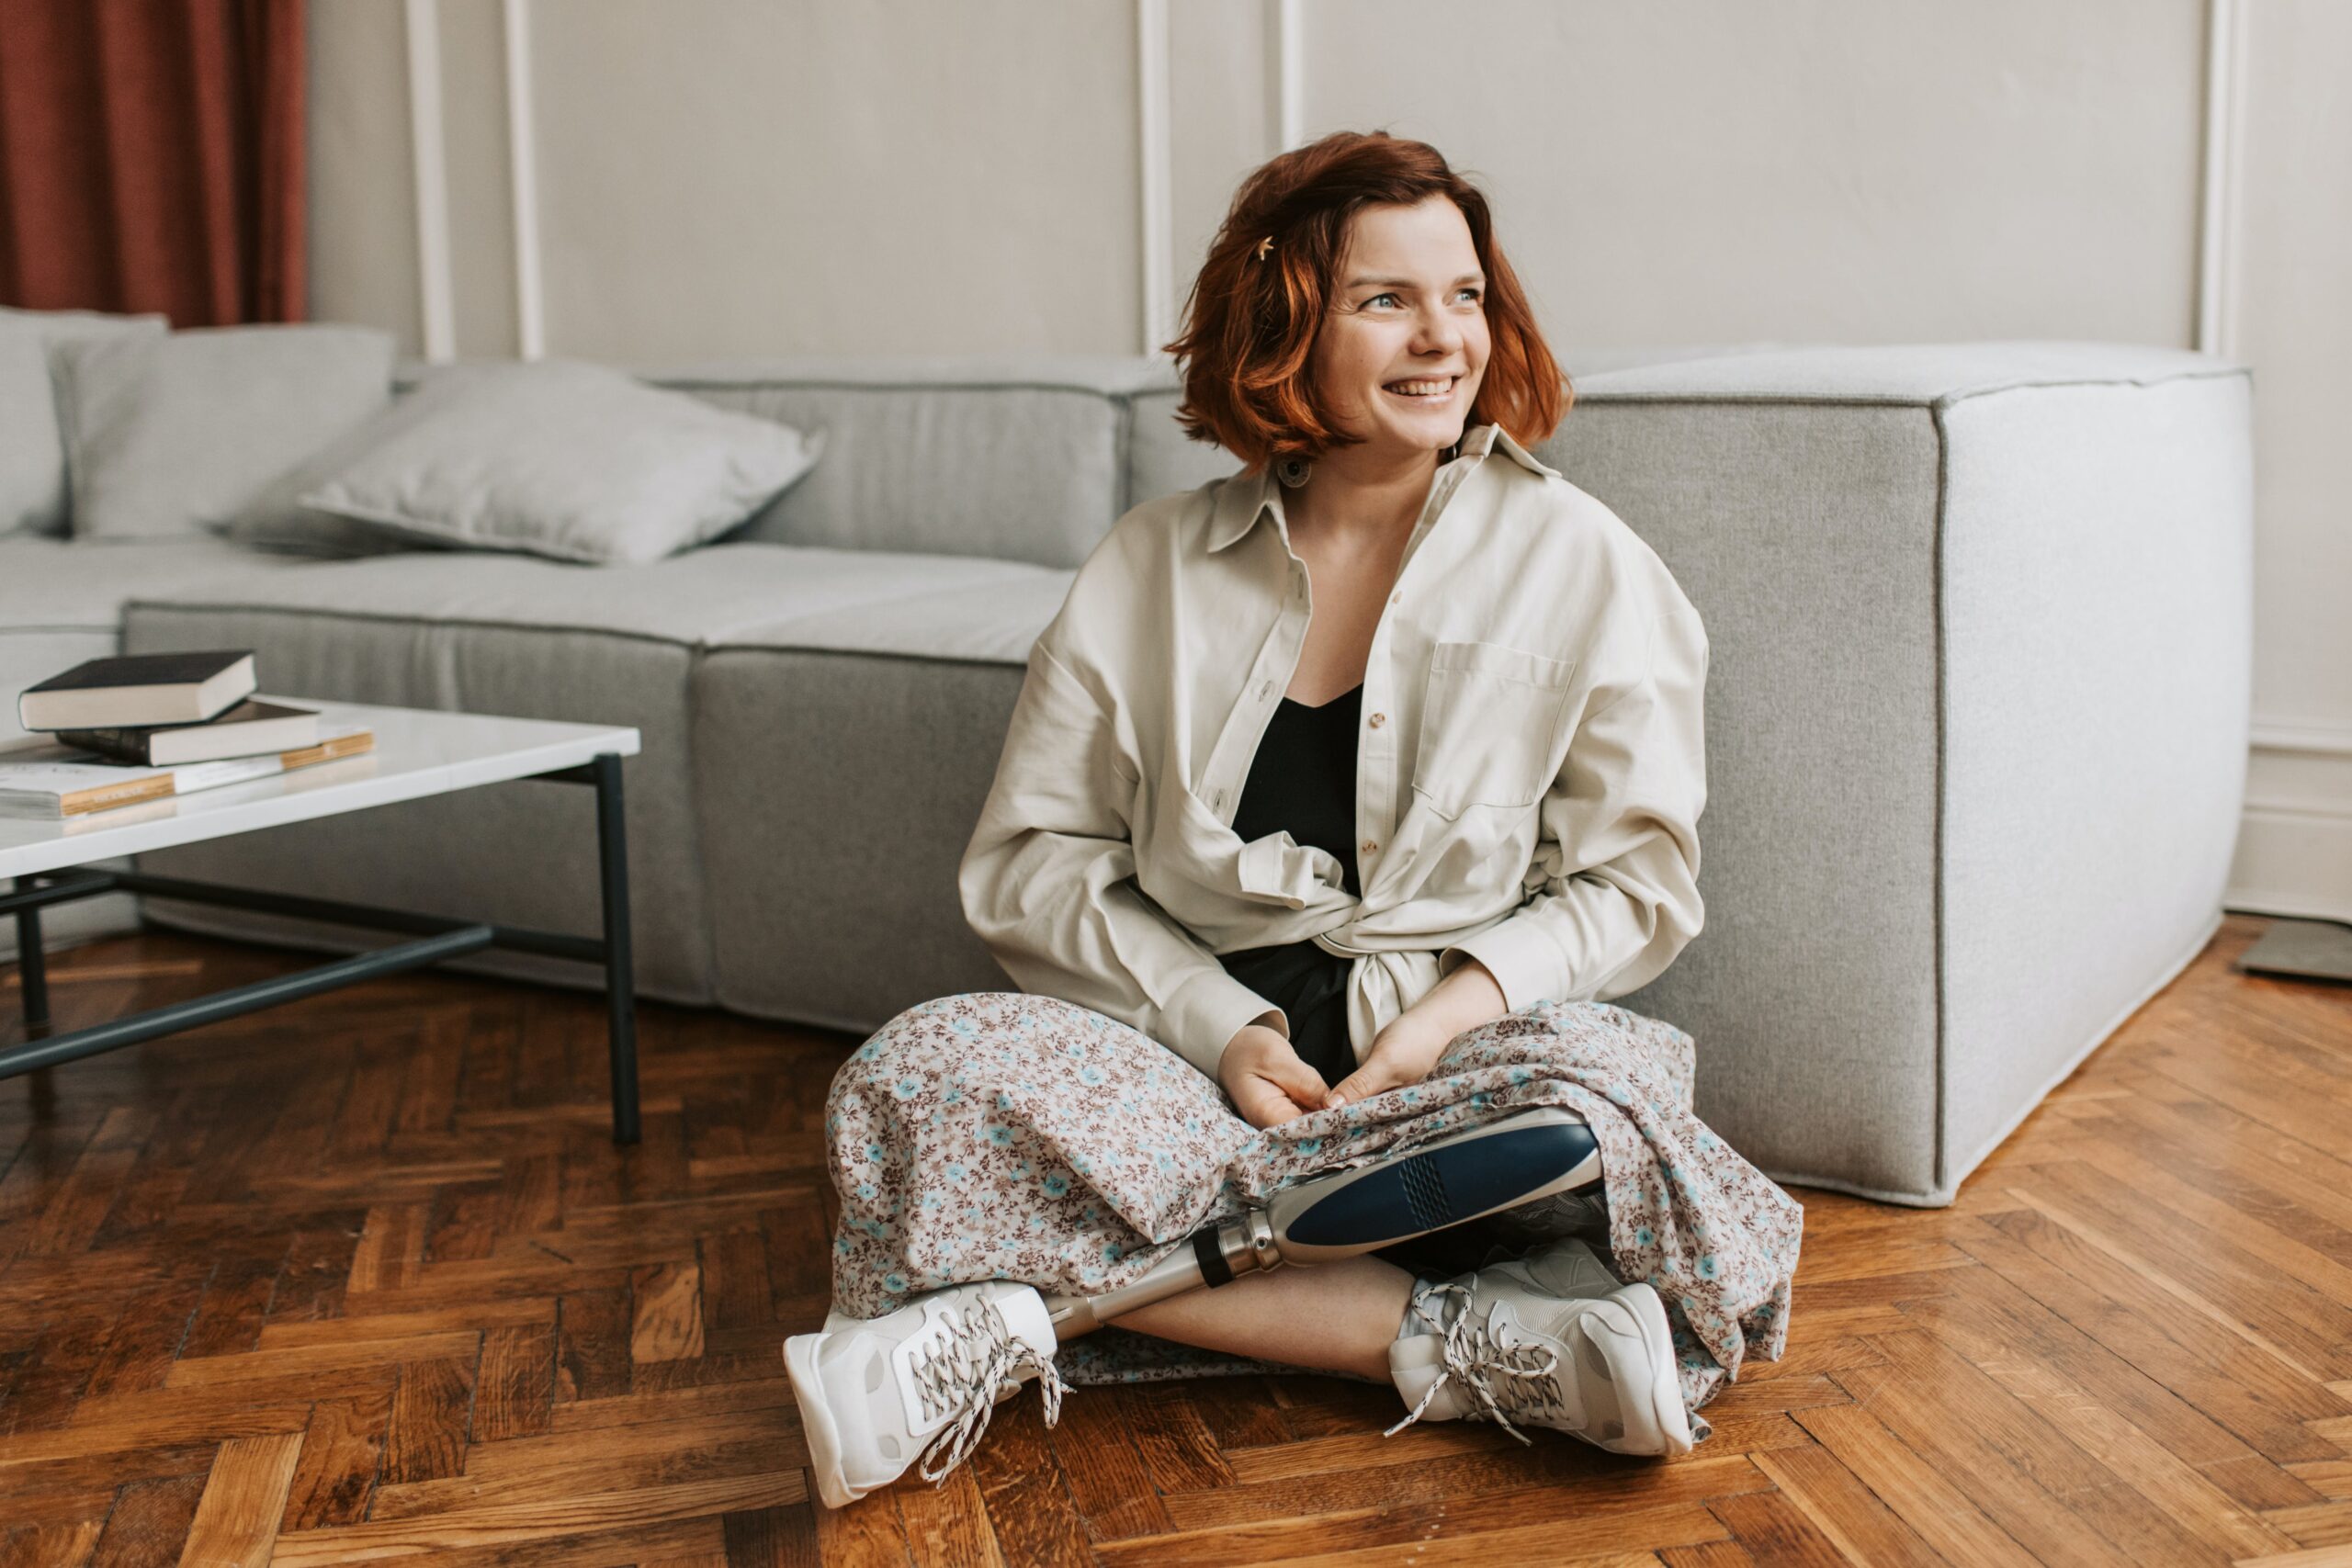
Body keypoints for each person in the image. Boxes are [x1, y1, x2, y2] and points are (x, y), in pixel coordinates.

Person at [786, 130, 1731, 1511]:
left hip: (1445, 1079)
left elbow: (1638, 883)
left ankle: (1020, 1312)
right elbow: (1035, 859)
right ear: (1287, 320)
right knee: (910, 1079)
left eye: (1464, 295)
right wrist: (1216, 1032)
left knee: (1611, 1100)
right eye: (1386, 300)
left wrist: (1437, 1027)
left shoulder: (1583, 561)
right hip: (1189, 1076)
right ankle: (1466, 1341)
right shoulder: (1148, 566)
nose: (1443, 338)